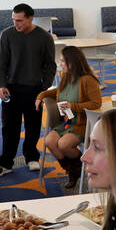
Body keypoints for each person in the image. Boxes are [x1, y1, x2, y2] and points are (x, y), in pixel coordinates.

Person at [0, 3, 57, 174]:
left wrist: (43, 88)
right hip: (11, 89)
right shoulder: (7, 35)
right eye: (14, 20)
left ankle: (31, 157)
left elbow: (50, 66)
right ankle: (6, 162)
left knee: (33, 126)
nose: (16, 24)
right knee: (9, 127)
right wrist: (1, 85)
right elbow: (0, 64)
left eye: (20, 20)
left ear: (30, 18)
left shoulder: (44, 37)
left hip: (34, 89)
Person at [36, 45, 102, 189]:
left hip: (83, 124)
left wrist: (74, 106)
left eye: (62, 61)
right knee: (49, 141)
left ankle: (74, 169)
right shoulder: (66, 77)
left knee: (63, 145)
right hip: (68, 122)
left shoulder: (87, 80)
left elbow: (96, 103)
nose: (60, 64)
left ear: (72, 63)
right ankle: (74, 169)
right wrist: (41, 96)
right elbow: (57, 93)